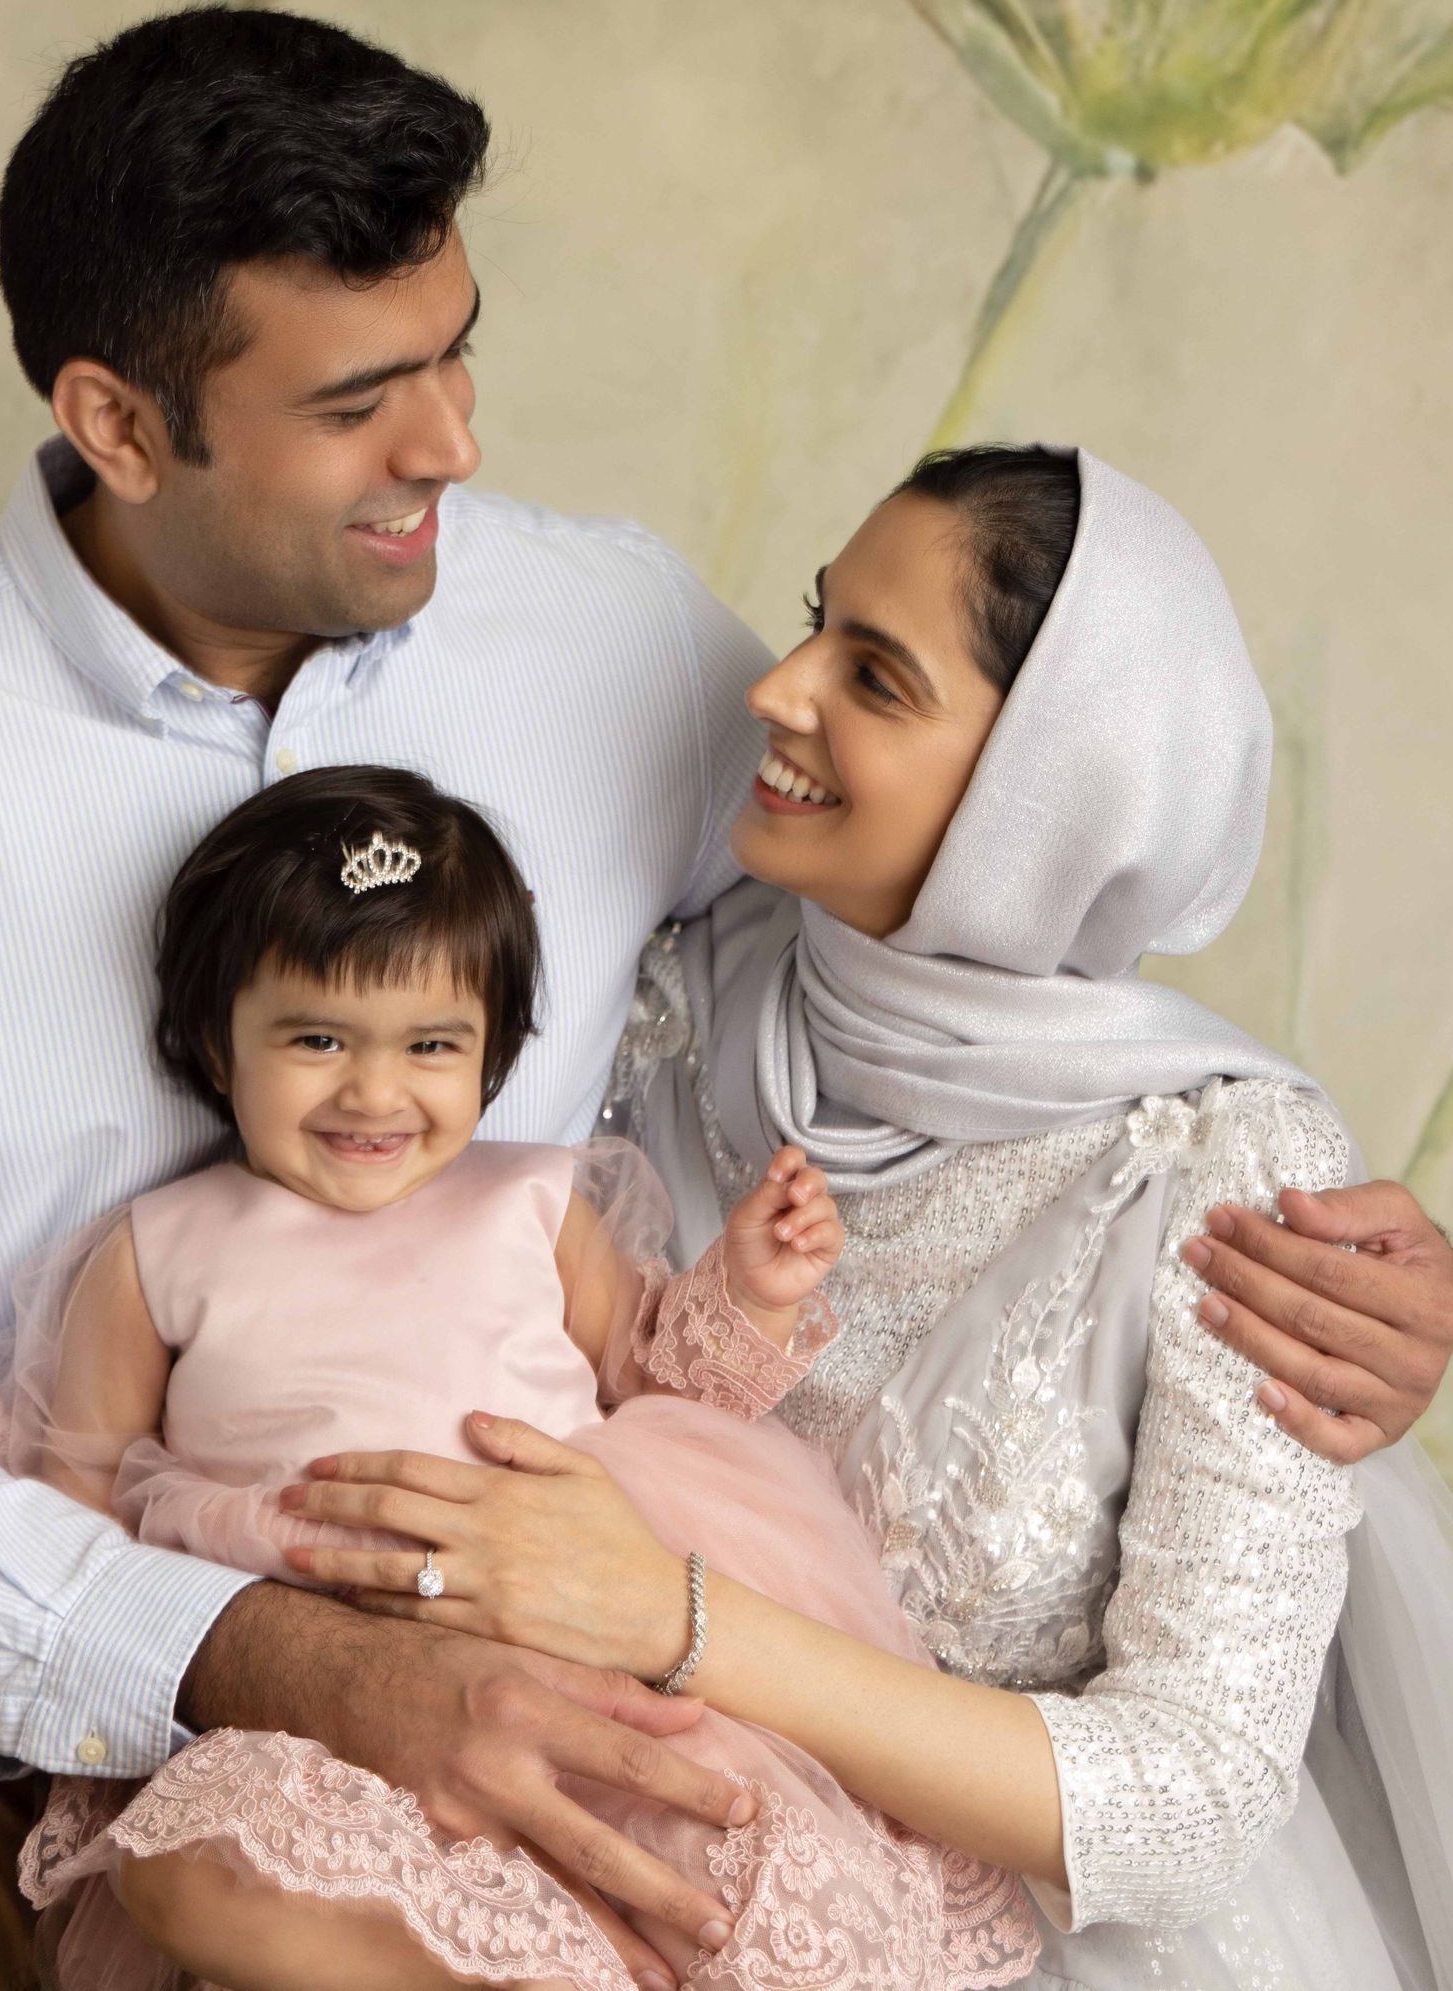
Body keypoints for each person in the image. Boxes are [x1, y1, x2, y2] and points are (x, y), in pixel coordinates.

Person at [0, 14, 1448, 1988]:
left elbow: (957, 932)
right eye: (365, 395)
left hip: (564, 1566)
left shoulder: (603, 628)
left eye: (459, 347)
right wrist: (277, 1654)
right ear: (118, 422)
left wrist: (1330, 1268)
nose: (452, 439)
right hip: (34, 1589)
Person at [289, 447, 1453, 1989]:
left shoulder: (1215, 1162)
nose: (776, 688)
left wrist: (672, 1613)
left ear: (1053, 785)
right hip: (639, 1872)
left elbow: (1199, 1798)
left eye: (876, 676)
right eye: (813, 621)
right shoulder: (656, 1005)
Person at [0, 761, 1041, 1991]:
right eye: (316, 1037)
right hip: (309, 1698)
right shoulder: (161, 1245)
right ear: (219, 1037)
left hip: (578, 1642)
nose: (374, 1090)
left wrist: (746, 1291)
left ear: (490, 1052)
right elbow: (80, 1496)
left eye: (430, 1043)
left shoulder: (528, 1200)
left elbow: (658, 1380)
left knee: (716, 1841)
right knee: (193, 1867)